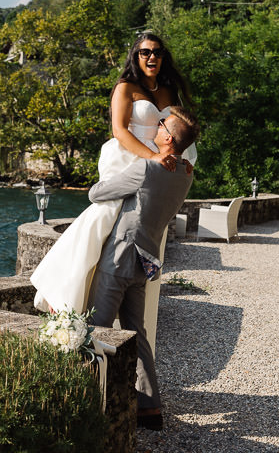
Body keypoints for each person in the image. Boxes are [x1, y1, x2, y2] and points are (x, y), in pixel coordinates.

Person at [30, 32, 195, 315]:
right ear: (136, 56)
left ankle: (132, 286)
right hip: (129, 158)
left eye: (157, 52)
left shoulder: (169, 91)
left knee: (144, 222)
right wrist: (153, 156)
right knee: (104, 217)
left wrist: (183, 160)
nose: (152, 57)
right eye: (145, 52)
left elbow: (179, 129)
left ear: (163, 57)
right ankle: (64, 293)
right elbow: (119, 131)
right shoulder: (126, 87)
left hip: (161, 165)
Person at [86, 106, 199, 431]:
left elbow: (98, 193)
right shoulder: (186, 174)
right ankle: (150, 409)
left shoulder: (148, 169)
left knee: (98, 329)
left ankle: (91, 403)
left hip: (121, 255)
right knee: (138, 334)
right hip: (146, 261)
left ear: (166, 136)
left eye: (161, 123)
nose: (157, 125)